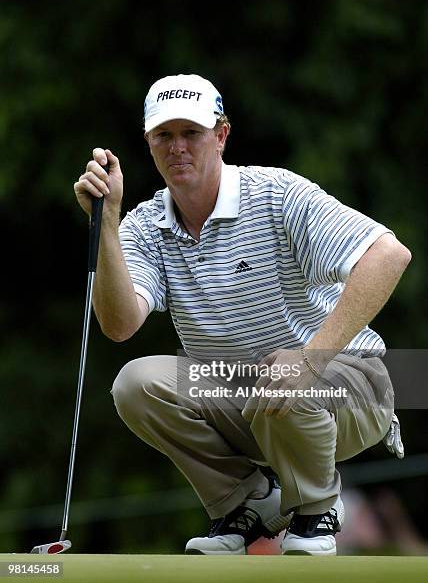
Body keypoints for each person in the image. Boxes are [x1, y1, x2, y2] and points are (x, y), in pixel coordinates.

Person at [74, 73, 411, 556]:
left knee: (280, 368)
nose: (177, 148)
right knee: (136, 383)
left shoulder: (275, 193)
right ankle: (246, 505)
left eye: (191, 133)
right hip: (248, 400)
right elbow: (119, 324)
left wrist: (311, 358)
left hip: (350, 388)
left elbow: (388, 255)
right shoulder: (145, 224)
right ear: (147, 143)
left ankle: (317, 510)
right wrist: (105, 224)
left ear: (221, 135)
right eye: (163, 136)